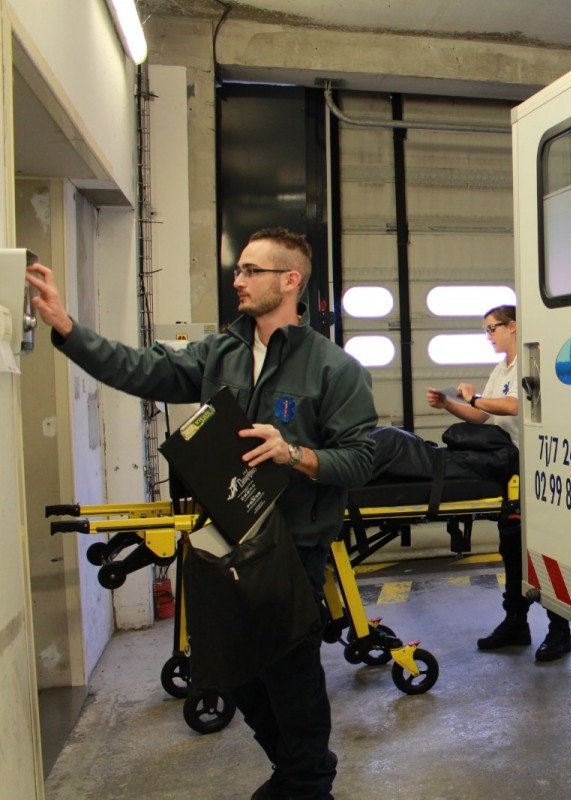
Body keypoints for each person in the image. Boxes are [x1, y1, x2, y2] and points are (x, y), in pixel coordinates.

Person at [26, 228, 377, 800]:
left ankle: (309, 784)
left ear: (290, 280)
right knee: (233, 669)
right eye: (238, 269)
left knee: (290, 675)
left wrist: (292, 454)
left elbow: (361, 459)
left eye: (251, 270)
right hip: (228, 538)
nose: (237, 280)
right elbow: (139, 369)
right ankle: (292, 771)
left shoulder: (334, 369)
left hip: (293, 548)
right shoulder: (220, 353)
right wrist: (66, 327)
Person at [424, 305, 571, 662]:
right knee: (511, 547)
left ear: (513, 326)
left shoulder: (532, 361)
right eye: (486, 330)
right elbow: (482, 415)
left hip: (537, 468)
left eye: (492, 328)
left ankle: (559, 630)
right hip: (512, 472)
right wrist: (449, 404)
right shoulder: (501, 368)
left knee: (544, 549)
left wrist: (474, 397)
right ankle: (516, 623)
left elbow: (515, 405)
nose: (489, 336)